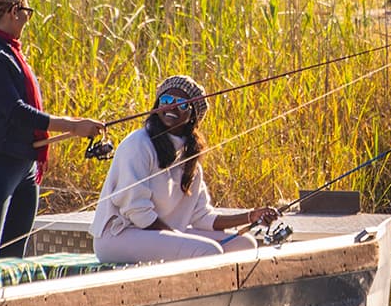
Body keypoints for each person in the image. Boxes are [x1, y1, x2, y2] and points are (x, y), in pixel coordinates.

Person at [0, 0, 105, 258]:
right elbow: (15, 111)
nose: (26, 21)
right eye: (26, 13)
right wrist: (73, 126)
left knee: (14, 254)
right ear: (13, 11)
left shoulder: (7, 50)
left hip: (22, 162)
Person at [88, 74, 279, 263]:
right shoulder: (138, 144)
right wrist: (179, 242)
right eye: (166, 100)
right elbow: (137, 211)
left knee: (244, 244)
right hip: (119, 237)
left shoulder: (190, 160)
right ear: (157, 106)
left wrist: (250, 216)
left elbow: (203, 217)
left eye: (182, 104)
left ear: (192, 116)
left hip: (160, 234)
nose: (171, 106)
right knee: (209, 251)